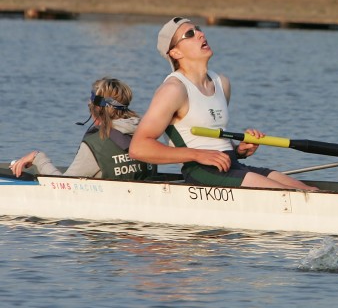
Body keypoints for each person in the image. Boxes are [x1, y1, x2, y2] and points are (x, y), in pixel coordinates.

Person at [129, 17, 315, 191]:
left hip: (233, 165)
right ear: (175, 53)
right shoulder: (174, 89)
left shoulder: (221, 83)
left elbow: (216, 144)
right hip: (202, 173)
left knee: (308, 191)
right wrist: (197, 154)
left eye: (198, 29)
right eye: (190, 34)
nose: (200, 34)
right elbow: (138, 148)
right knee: (291, 194)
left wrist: (240, 150)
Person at [8, 78, 155, 180]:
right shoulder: (147, 134)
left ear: (96, 110)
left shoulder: (96, 144)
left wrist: (37, 158)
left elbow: (64, 185)